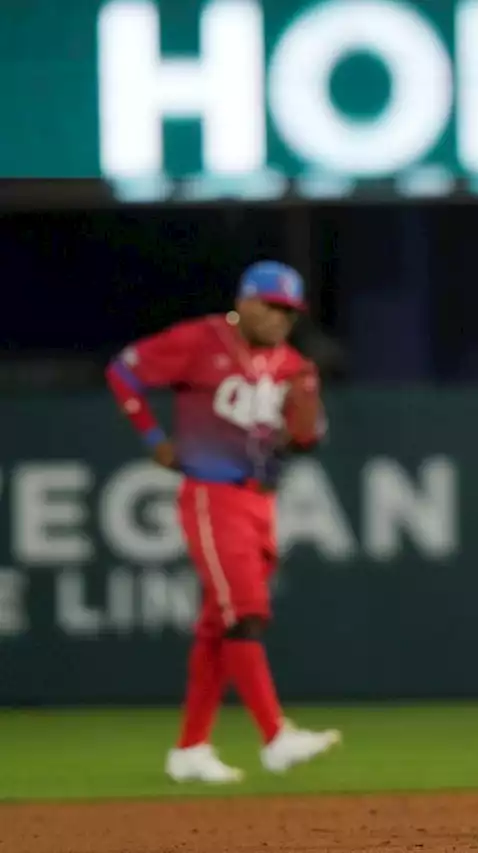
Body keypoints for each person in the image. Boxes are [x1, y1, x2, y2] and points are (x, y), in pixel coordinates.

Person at [105, 260, 341, 784]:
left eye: (289, 311)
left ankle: (190, 747)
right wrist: (151, 438)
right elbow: (123, 371)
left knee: (218, 625)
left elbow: (304, 435)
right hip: (212, 494)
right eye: (272, 306)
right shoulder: (201, 338)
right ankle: (274, 735)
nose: (280, 318)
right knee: (246, 611)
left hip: (261, 499)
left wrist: (304, 415)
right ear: (246, 301)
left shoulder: (290, 363)